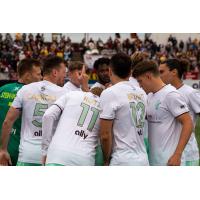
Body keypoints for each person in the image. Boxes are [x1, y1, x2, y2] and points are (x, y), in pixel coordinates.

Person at [0, 56, 66, 166]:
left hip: (24, 152)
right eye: (38, 74)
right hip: (49, 154)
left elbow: (7, 121)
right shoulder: (64, 93)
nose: (41, 77)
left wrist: (2, 149)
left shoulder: (18, 90)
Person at [133, 60, 193, 166]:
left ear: (148, 76)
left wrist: (177, 155)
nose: (140, 85)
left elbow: (188, 123)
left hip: (171, 161)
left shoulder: (171, 94)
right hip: (154, 161)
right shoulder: (150, 96)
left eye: (140, 81)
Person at [100, 53, 149, 166]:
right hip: (143, 159)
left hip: (122, 159)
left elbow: (105, 135)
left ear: (110, 71)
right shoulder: (141, 92)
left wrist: (106, 160)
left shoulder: (110, 93)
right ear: (130, 72)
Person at [42, 88, 103, 166]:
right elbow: (104, 138)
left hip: (58, 154)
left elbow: (48, 115)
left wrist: (45, 150)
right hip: (85, 158)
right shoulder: (104, 107)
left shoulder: (72, 94)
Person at [0, 58, 42, 165]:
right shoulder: (35, 95)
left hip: (3, 147)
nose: (41, 77)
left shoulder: (3, 89)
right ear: (27, 76)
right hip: (22, 151)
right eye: (38, 74)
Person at [159, 58, 200, 166]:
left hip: (188, 153)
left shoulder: (190, 93)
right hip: (168, 152)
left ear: (174, 72)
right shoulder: (163, 93)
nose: (159, 75)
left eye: (162, 72)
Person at [90, 57, 110, 166]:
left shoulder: (115, 87)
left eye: (107, 70)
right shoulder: (94, 91)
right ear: (96, 73)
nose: (106, 73)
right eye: (102, 71)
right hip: (99, 141)